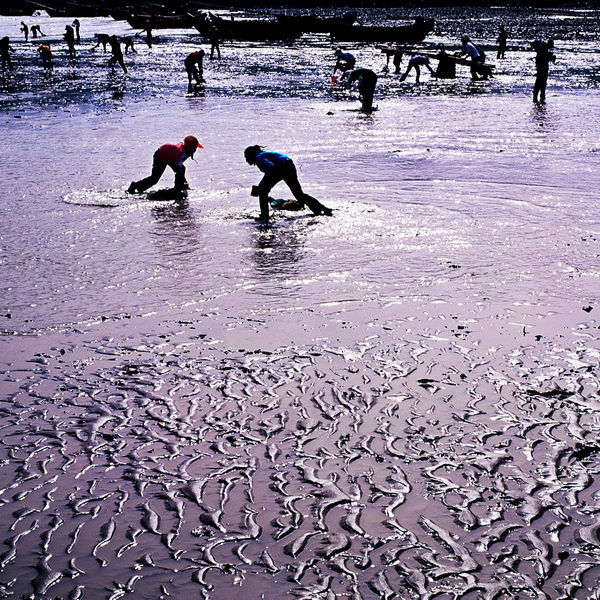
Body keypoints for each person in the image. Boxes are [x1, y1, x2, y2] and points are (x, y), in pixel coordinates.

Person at [244, 145, 332, 221]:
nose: (246, 160)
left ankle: (264, 216)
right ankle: (323, 209)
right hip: (288, 165)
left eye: (246, 157)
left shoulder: (258, 157)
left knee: (262, 192)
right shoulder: (261, 156)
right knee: (298, 194)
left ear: (251, 155)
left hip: (282, 167)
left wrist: (261, 186)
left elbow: (271, 168)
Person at [128, 136, 203, 194]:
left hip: (170, 157)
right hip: (160, 155)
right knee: (155, 178)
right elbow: (178, 163)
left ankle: (182, 186)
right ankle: (135, 186)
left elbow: (178, 164)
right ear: (189, 147)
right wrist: (180, 172)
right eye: (195, 147)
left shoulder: (187, 151)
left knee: (181, 169)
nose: (196, 149)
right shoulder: (181, 152)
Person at [531, 39, 556, 103]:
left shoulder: (543, 48)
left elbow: (544, 59)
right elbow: (544, 59)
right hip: (542, 68)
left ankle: (538, 98)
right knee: (540, 83)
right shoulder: (543, 49)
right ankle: (539, 98)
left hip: (541, 68)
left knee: (540, 83)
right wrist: (551, 57)